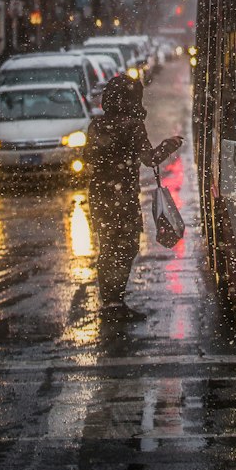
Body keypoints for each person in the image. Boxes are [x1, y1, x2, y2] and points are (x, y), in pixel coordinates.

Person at [84, 74, 182, 314]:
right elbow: (150, 158)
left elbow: (87, 157)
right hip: (123, 196)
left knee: (107, 247)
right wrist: (170, 144)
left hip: (100, 196)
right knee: (126, 247)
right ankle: (116, 302)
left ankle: (109, 300)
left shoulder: (97, 125)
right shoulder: (132, 125)